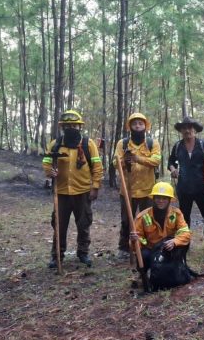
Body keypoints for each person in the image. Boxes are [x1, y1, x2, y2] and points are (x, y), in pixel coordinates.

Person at [42, 110, 104, 268]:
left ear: (79, 127)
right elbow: (47, 161)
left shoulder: (88, 144)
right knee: (59, 225)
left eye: (74, 125)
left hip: (82, 191)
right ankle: (57, 255)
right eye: (67, 125)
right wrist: (49, 171)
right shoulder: (55, 144)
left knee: (83, 224)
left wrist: (95, 187)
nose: (71, 128)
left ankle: (83, 253)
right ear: (62, 127)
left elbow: (97, 167)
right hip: (61, 192)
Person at [113, 112, 161, 258]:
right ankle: (124, 247)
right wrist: (124, 161)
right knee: (126, 220)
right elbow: (115, 163)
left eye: (140, 123)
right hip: (128, 190)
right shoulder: (122, 144)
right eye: (134, 124)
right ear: (130, 127)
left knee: (148, 220)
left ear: (145, 126)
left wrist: (137, 158)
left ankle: (149, 246)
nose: (138, 126)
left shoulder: (152, 143)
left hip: (148, 190)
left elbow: (156, 160)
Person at [129, 182, 192, 289]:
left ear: (169, 200)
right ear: (153, 199)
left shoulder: (176, 214)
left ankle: (178, 268)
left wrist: (175, 242)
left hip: (168, 248)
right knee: (143, 255)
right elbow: (136, 243)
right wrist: (134, 241)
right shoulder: (143, 216)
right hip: (151, 250)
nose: (161, 201)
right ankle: (142, 275)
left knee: (183, 244)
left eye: (164, 198)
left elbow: (185, 232)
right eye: (158, 198)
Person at [168, 116, 204, 250]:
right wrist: (173, 169)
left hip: (202, 187)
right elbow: (170, 161)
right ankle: (184, 243)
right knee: (184, 216)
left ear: (194, 130)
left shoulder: (203, 145)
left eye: (190, 128)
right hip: (184, 188)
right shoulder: (177, 146)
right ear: (181, 131)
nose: (187, 130)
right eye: (184, 128)